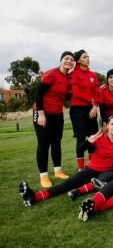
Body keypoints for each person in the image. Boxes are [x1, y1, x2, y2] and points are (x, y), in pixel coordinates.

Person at [19, 116, 113, 206]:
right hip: (91, 169)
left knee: (108, 177)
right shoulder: (99, 137)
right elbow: (80, 149)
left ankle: (80, 190)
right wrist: (88, 142)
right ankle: (35, 196)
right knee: (68, 184)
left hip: (108, 171)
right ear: (107, 126)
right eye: (112, 124)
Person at [32, 51, 75, 188]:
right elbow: (38, 93)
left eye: (72, 60)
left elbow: (65, 96)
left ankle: (58, 171)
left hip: (57, 114)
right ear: (61, 60)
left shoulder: (68, 77)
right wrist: (41, 114)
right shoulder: (51, 74)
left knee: (56, 142)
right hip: (41, 112)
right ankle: (43, 176)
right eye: (66, 59)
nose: (69, 61)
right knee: (44, 143)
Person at [69, 50, 100, 170]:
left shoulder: (93, 74)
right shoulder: (74, 74)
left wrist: (95, 106)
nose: (88, 58)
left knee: (93, 137)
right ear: (78, 60)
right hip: (78, 110)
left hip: (92, 108)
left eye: (88, 56)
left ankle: (92, 165)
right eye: (84, 57)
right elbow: (76, 93)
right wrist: (92, 101)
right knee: (81, 139)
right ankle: (81, 169)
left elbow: (97, 92)